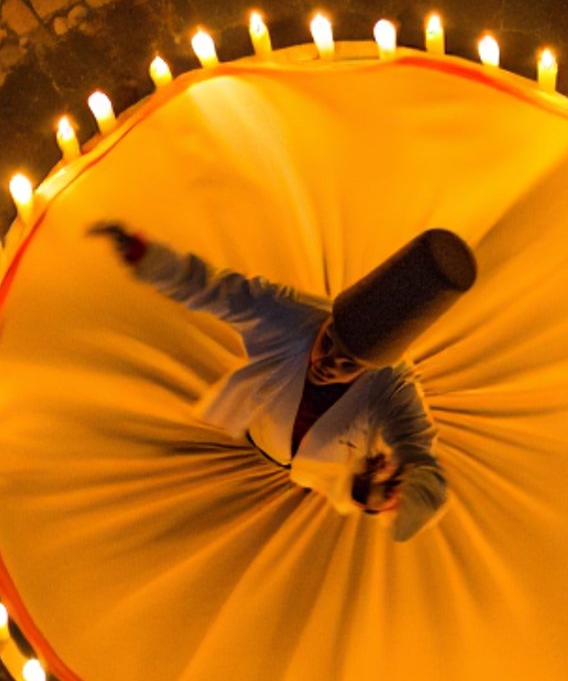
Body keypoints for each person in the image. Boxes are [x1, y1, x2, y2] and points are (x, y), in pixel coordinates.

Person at [88, 222, 476, 543]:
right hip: (243, 444)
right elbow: (213, 289)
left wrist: (399, 497)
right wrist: (147, 256)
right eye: (328, 342)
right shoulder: (290, 317)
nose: (327, 363)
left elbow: (422, 457)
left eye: (347, 365)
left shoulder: (394, 387)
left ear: (374, 370)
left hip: (319, 492)